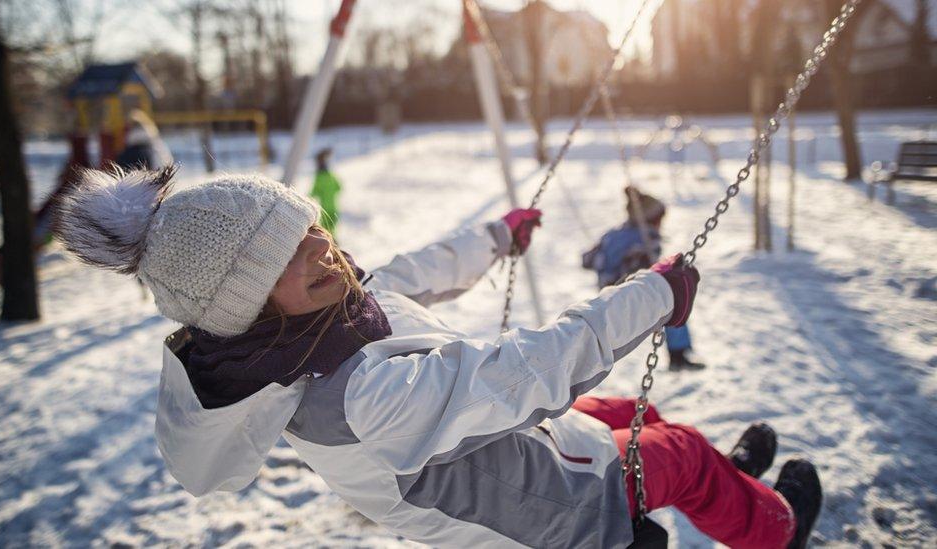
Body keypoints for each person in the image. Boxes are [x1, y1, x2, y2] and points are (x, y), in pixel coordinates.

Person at [52, 167, 822, 548]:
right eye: (284, 254)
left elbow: (412, 272)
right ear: (242, 306)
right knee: (675, 450)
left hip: (518, 443)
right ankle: (778, 524)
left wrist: (494, 237)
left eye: (309, 225)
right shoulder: (353, 396)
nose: (322, 248)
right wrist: (652, 298)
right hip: (545, 504)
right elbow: (522, 373)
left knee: (635, 413)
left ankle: (730, 480)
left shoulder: (324, 310)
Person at [582, 186, 706, 371]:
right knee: (676, 301)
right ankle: (678, 356)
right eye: (660, 219)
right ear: (653, 219)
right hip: (626, 295)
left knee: (670, 298)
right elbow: (640, 270)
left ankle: (679, 355)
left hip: (606, 292)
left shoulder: (612, 234)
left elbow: (587, 260)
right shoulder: (647, 237)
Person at [310, 147, 342, 236]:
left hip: (324, 210)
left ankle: (332, 246)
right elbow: (339, 187)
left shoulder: (319, 178)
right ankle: (335, 244)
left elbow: (313, 192)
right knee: (333, 230)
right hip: (334, 207)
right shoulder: (331, 176)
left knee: (326, 232)